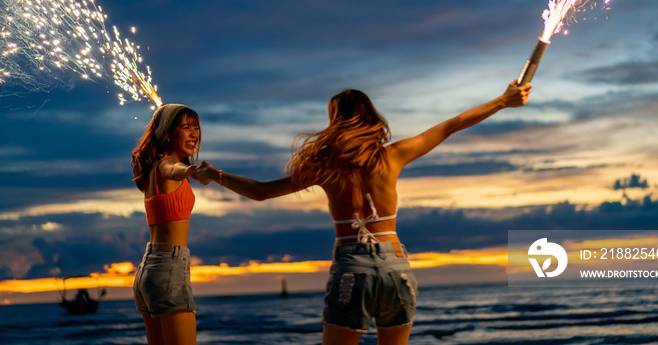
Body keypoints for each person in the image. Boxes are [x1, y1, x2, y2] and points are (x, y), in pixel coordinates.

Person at [196, 80, 531, 345]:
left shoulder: (324, 167)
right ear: (370, 116)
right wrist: (503, 100)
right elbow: (450, 126)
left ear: (335, 120)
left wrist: (215, 175)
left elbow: (261, 192)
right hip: (395, 266)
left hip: (351, 268)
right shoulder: (393, 156)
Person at [131, 104, 202, 345]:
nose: (194, 133)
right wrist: (192, 170)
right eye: (185, 127)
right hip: (169, 268)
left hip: (149, 270)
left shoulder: (152, 170)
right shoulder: (165, 166)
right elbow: (174, 169)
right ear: (168, 134)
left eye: (196, 127)